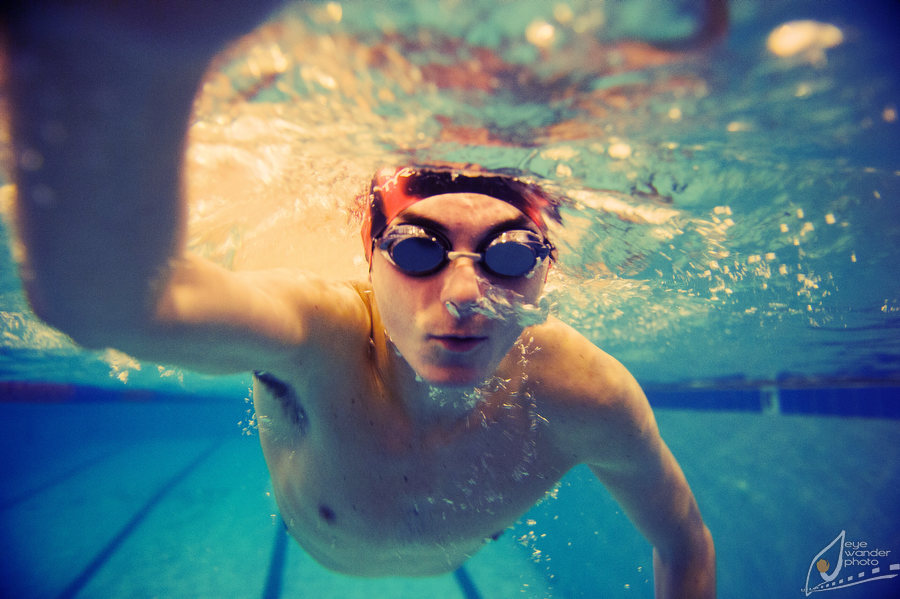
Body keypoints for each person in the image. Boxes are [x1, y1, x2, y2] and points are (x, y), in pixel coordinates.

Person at [1, 3, 716, 597]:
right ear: (369, 255)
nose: (465, 296)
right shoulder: (320, 336)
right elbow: (109, 306)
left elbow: (685, 542)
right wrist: (143, 49)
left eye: (510, 256)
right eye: (418, 249)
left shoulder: (588, 394)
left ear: (547, 268)